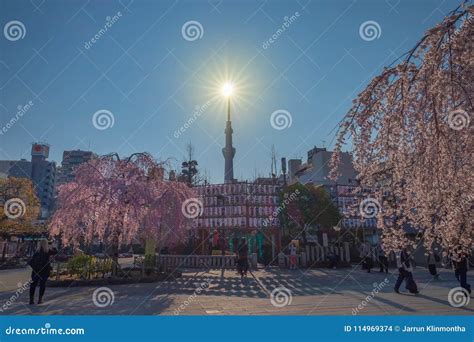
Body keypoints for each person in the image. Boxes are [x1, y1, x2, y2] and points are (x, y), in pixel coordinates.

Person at [28, 240, 57, 305]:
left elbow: (31, 261)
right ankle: (40, 300)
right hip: (44, 271)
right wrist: (53, 246)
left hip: (35, 271)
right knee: (42, 285)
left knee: (33, 285)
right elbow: (56, 252)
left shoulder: (37, 252)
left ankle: (31, 300)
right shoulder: (47, 251)